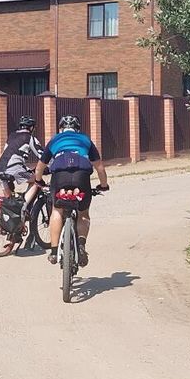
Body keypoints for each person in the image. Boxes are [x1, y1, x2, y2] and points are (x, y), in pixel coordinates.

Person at [36, 114, 109, 266]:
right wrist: (103, 185)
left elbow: (40, 167)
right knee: (83, 213)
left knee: (57, 211)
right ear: (78, 128)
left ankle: (54, 252)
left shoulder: (55, 140)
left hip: (59, 176)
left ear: (60, 128)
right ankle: (81, 246)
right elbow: (100, 168)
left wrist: (39, 180)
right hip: (81, 176)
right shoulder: (85, 140)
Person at [0, 115, 46, 239]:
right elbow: (42, 156)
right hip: (15, 169)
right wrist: (50, 166)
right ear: (32, 128)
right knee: (36, 181)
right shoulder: (30, 138)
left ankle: (11, 228)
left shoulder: (11, 136)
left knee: (9, 201)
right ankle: (23, 206)